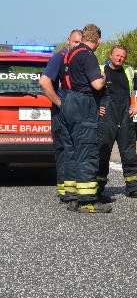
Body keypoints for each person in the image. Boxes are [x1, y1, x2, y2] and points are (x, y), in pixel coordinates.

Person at [60, 24, 112, 213]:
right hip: (83, 104)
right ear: (97, 40)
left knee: (72, 151)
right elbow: (97, 85)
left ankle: (73, 197)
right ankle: (87, 200)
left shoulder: (70, 54)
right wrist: (104, 76)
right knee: (87, 152)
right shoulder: (88, 55)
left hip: (68, 102)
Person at [96, 46, 137, 201]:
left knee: (129, 153)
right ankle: (97, 189)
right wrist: (96, 107)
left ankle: (134, 188)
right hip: (107, 117)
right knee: (102, 153)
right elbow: (90, 90)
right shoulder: (100, 69)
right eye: (117, 55)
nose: (119, 59)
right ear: (111, 55)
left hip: (125, 115)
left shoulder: (130, 71)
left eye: (122, 57)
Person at [39, 29, 82, 205]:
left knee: (75, 150)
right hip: (62, 113)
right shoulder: (60, 57)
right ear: (68, 40)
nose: (77, 46)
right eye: (75, 42)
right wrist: (60, 103)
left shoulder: (78, 58)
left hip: (77, 112)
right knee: (64, 150)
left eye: (80, 43)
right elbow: (44, 81)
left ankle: (73, 190)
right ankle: (65, 192)